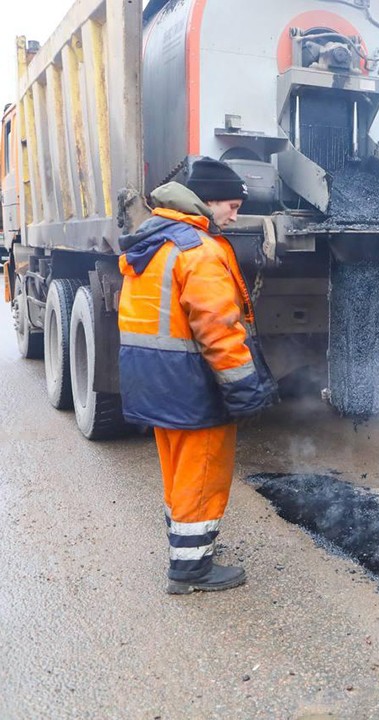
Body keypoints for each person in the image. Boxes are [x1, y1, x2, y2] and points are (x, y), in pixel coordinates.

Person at [118, 157, 277, 594]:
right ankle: (191, 570)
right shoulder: (200, 252)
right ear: (206, 201)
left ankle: (185, 546)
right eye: (231, 204)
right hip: (192, 383)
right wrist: (245, 389)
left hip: (154, 377)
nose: (235, 214)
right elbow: (218, 329)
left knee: (177, 471)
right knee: (203, 471)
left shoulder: (155, 240)